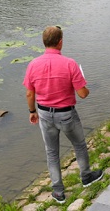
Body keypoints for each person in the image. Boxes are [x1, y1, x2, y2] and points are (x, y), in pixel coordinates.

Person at [23, 26, 103, 204]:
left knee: (52, 153)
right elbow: (82, 93)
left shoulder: (33, 64)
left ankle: (58, 191)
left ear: (44, 42)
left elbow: (30, 94)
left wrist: (32, 112)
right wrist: (85, 85)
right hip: (66, 114)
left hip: (44, 113)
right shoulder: (69, 63)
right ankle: (87, 177)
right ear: (60, 42)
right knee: (80, 145)